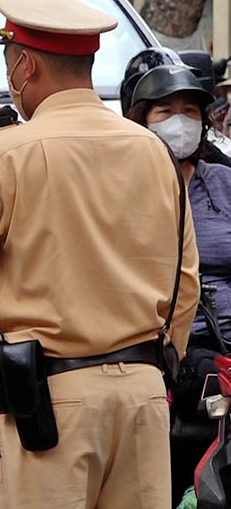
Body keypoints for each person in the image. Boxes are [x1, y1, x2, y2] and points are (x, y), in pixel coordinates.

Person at [0, 0, 199, 508]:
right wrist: (152, 366)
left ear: (24, 66)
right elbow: (185, 284)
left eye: (9, 58)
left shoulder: (6, 153)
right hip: (144, 395)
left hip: (51, 403)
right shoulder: (152, 150)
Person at [126, 64, 231, 500]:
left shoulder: (224, 183)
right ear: (141, 121)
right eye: (165, 110)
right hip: (167, 352)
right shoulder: (123, 187)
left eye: (190, 110)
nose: (179, 121)